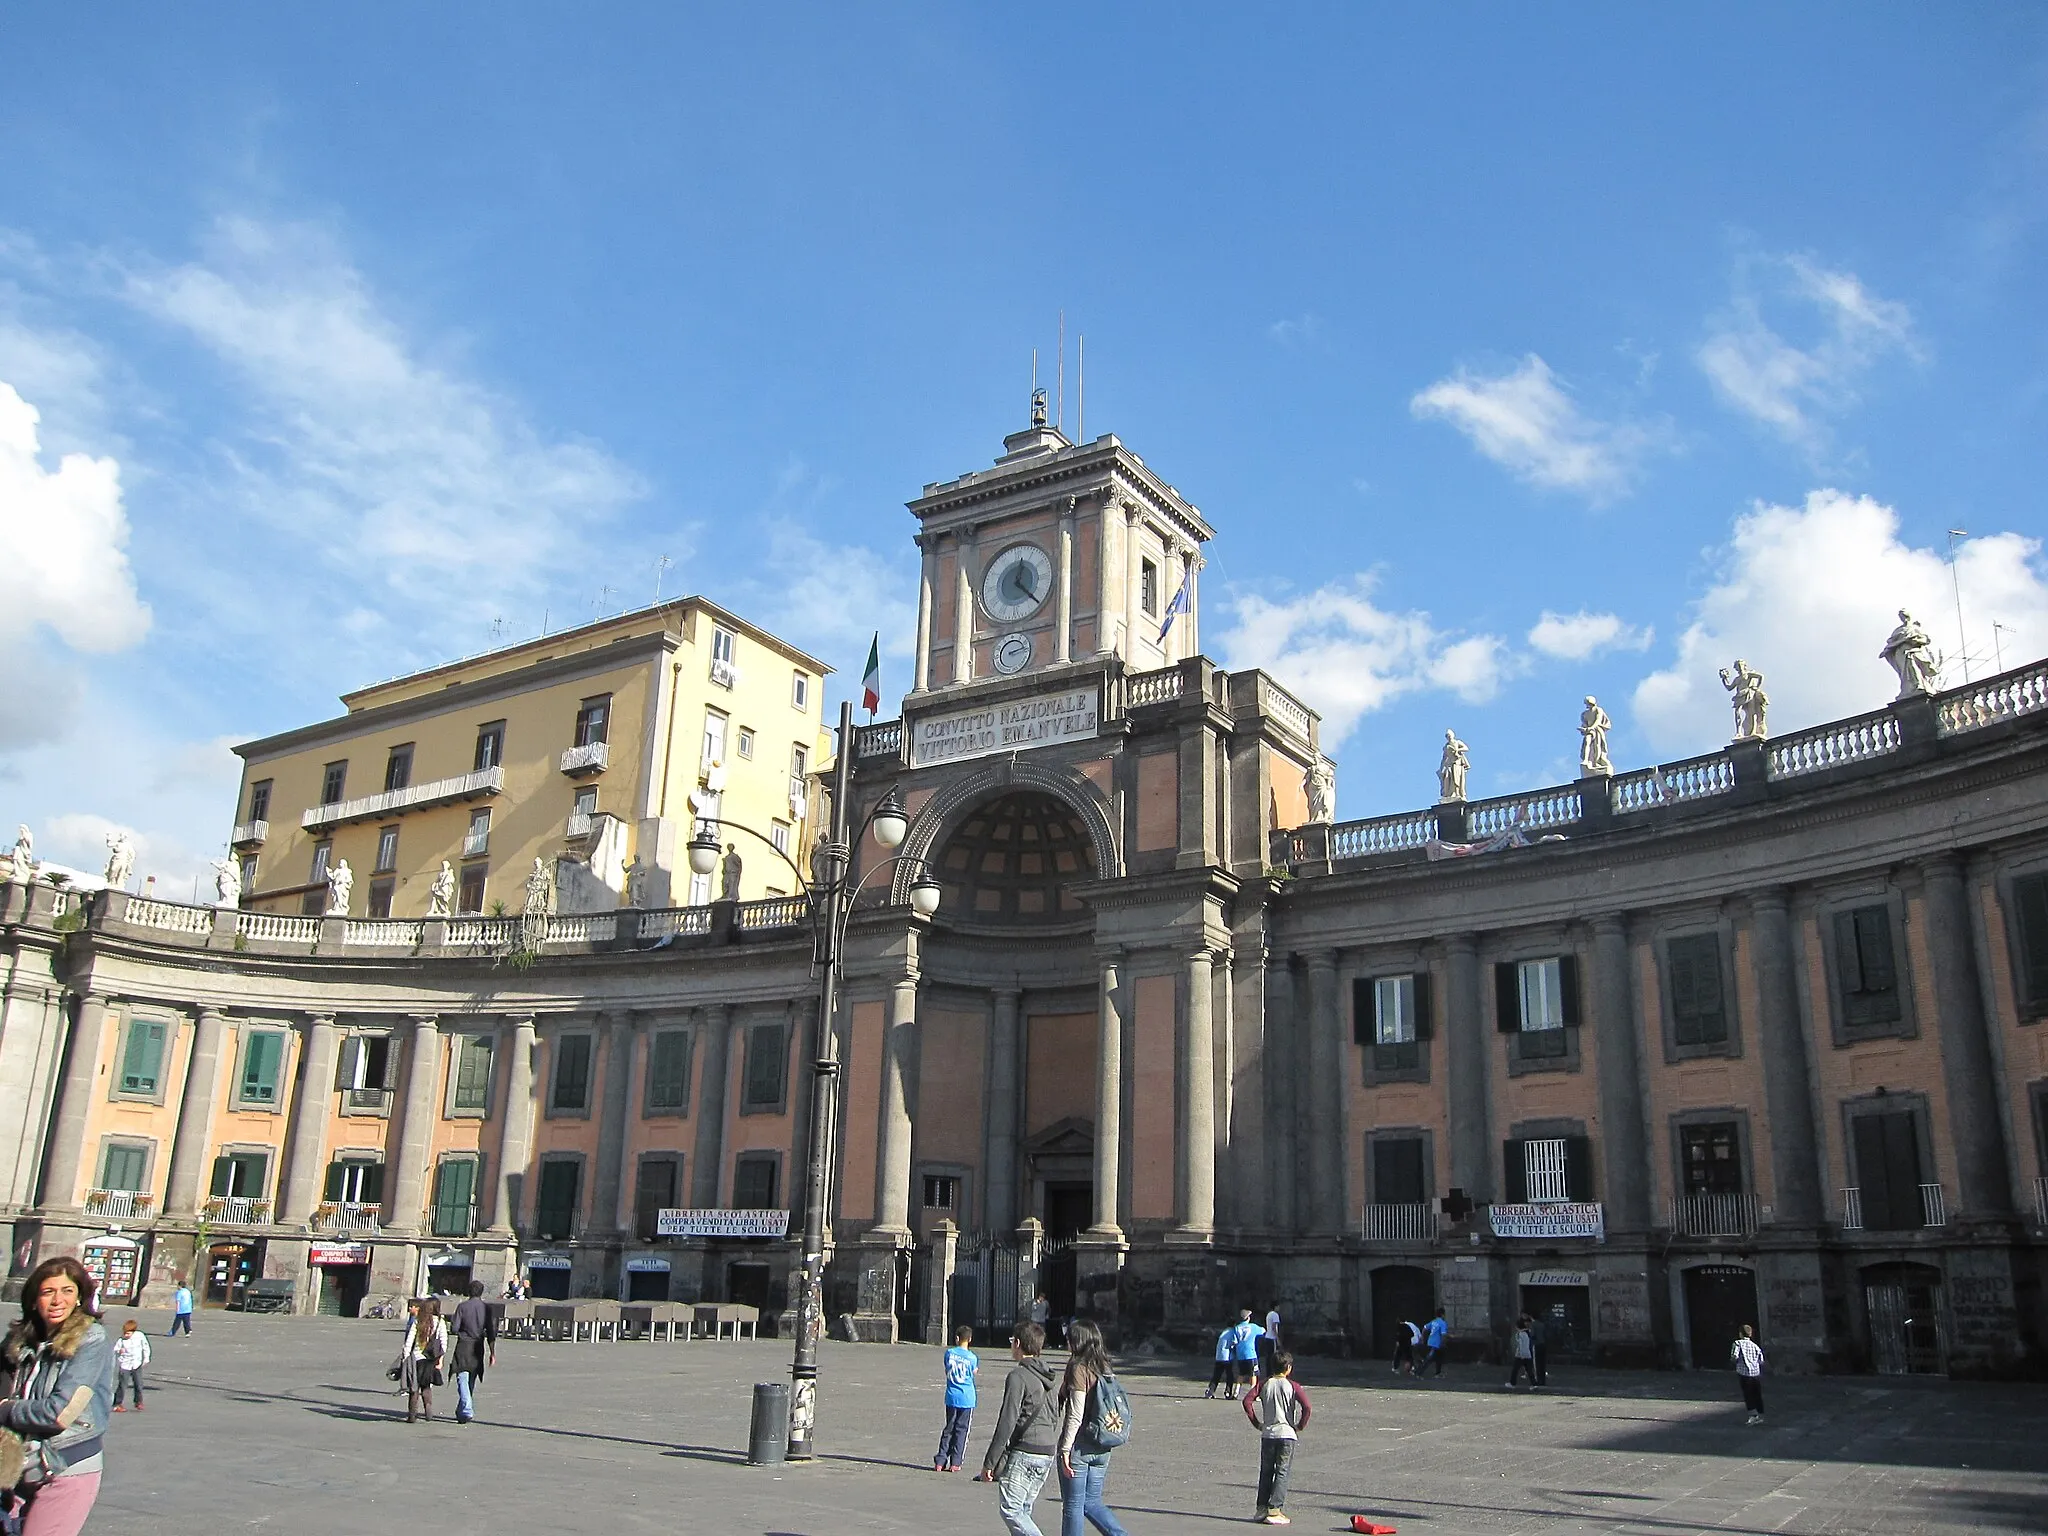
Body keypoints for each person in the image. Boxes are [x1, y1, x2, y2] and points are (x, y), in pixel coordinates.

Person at [1, 1255, 114, 1536]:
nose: (57, 1301)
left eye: (67, 1291)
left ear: (79, 1297)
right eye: (47, 1291)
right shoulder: (21, 1341)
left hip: (66, 1465)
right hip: (18, 1466)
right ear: (33, 1299)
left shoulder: (90, 1339)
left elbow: (59, 1414)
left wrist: (6, 1410)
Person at [976, 1322, 1059, 1536]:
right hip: (1047, 1450)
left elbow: (1007, 1420)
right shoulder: (1048, 1376)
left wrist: (990, 1462)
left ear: (1018, 1344)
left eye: (1012, 1342)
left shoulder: (1018, 1376)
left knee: (1011, 1509)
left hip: (1027, 1450)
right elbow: (1054, 1414)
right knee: (1023, 1509)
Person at [1055, 1319, 1130, 1536]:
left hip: (1080, 1446)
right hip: (1102, 1444)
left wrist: (1065, 1449)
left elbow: (1075, 1414)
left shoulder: (1079, 1368)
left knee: (1073, 1506)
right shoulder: (1104, 1366)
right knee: (1092, 1502)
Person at [1243, 1348, 1310, 1526]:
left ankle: (1261, 1508)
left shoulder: (1264, 1384)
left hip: (1268, 1433)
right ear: (1288, 1368)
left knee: (1266, 1471)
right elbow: (1307, 1407)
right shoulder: (1293, 1386)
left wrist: (1257, 1423)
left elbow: (1247, 1401)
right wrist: (1300, 1425)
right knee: (1282, 1471)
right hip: (1287, 1433)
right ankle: (1275, 1509)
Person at [396, 1296, 448, 1423]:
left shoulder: (418, 1320)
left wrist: (405, 1357)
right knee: (426, 1387)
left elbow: (409, 1341)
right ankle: (428, 1409)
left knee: (414, 1387)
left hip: (416, 1359)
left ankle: (412, 1415)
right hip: (430, 1359)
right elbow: (443, 1343)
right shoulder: (440, 1322)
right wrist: (440, 1359)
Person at [450, 1280, 496, 1425]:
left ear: (469, 1291)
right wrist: (492, 1353)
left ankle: (467, 1409)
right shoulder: (486, 1309)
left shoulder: (462, 1307)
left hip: (464, 1345)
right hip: (478, 1346)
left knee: (462, 1376)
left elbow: (454, 1328)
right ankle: (461, 1411)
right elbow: (491, 1331)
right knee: (471, 1379)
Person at [936, 1324, 979, 1472]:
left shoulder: (949, 1353)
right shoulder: (972, 1358)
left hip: (951, 1396)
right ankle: (956, 1461)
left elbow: (947, 1367)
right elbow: (974, 1372)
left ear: (957, 1338)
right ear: (970, 1339)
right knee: (962, 1430)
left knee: (949, 1428)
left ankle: (941, 1460)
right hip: (967, 1397)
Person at [111, 1319, 150, 1412]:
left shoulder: (140, 1336)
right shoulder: (122, 1340)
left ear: (133, 1331)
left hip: (136, 1363)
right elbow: (115, 1349)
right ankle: (117, 1403)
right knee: (123, 1385)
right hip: (125, 1364)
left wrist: (146, 1358)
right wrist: (119, 1350)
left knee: (139, 1384)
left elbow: (145, 1347)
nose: (126, 1335)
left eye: (128, 1333)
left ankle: (138, 1402)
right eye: (125, 1333)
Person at [1226, 1309, 1265, 1397]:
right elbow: (1263, 1330)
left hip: (1240, 1355)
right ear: (1248, 1318)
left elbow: (1234, 1341)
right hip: (1251, 1354)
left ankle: (1236, 1392)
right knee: (1253, 1374)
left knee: (1241, 1374)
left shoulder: (1236, 1328)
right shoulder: (1253, 1327)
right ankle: (1253, 1394)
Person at [1731, 1323, 1765, 1425]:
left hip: (1744, 1372)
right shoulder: (1755, 1346)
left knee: (1748, 1394)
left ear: (1741, 1333)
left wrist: (1734, 1362)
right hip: (1755, 1373)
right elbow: (1761, 1360)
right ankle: (1760, 1415)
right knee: (1757, 1394)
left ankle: (1752, 1415)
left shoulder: (1737, 1343)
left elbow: (1735, 1356)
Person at [1203, 1321, 1235, 1398]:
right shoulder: (1233, 1332)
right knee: (1229, 1376)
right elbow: (1234, 1343)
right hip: (1227, 1357)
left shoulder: (1224, 1332)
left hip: (1219, 1357)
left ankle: (1210, 1391)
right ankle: (1228, 1392)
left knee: (1216, 1375)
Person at [1506, 1315, 1536, 1390]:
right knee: (1529, 1370)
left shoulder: (1521, 1334)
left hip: (1521, 1355)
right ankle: (1534, 1383)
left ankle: (1512, 1383)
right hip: (1527, 1354)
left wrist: (1521, 1354)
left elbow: (1522, 1345)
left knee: (1515, 1370)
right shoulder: (1526, 1333)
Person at [1421, 1309, 1449, 1377]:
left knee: (1439, 1358)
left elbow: (1424, 1328)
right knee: (1429, 1359)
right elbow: (1443, 1335)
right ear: (1442, 1315)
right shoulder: (1442, 1323)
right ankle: (1418, 1372)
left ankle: (1438, 1373)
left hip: (1431, 1342)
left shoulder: (1434, 1322)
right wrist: (1442, 1343)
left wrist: (1422, 1338)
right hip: (1437, 1344)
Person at [1260, 1304, 1282, 1379]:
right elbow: (1274, 1327)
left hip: (1267, 1337)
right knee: (1274, 1356)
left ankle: (1268, 1373)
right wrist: (1277, 1339)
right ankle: (1273, 1373)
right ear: (1275, 1306)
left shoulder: (1269, 1314)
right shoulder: (1275, 1315)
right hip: (1272, 1338)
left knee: (1268, 1357)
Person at [1528, 1310, 1549, 1387]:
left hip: (1536, 1345)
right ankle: (1543, 1380)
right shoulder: (1542, 1324)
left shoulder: (1533, 1325)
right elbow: (1546, 1335)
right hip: (1543, 1344)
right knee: (1542, 1364)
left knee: (1536, 1364)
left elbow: (1532, 1334)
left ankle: (1538, 1380)